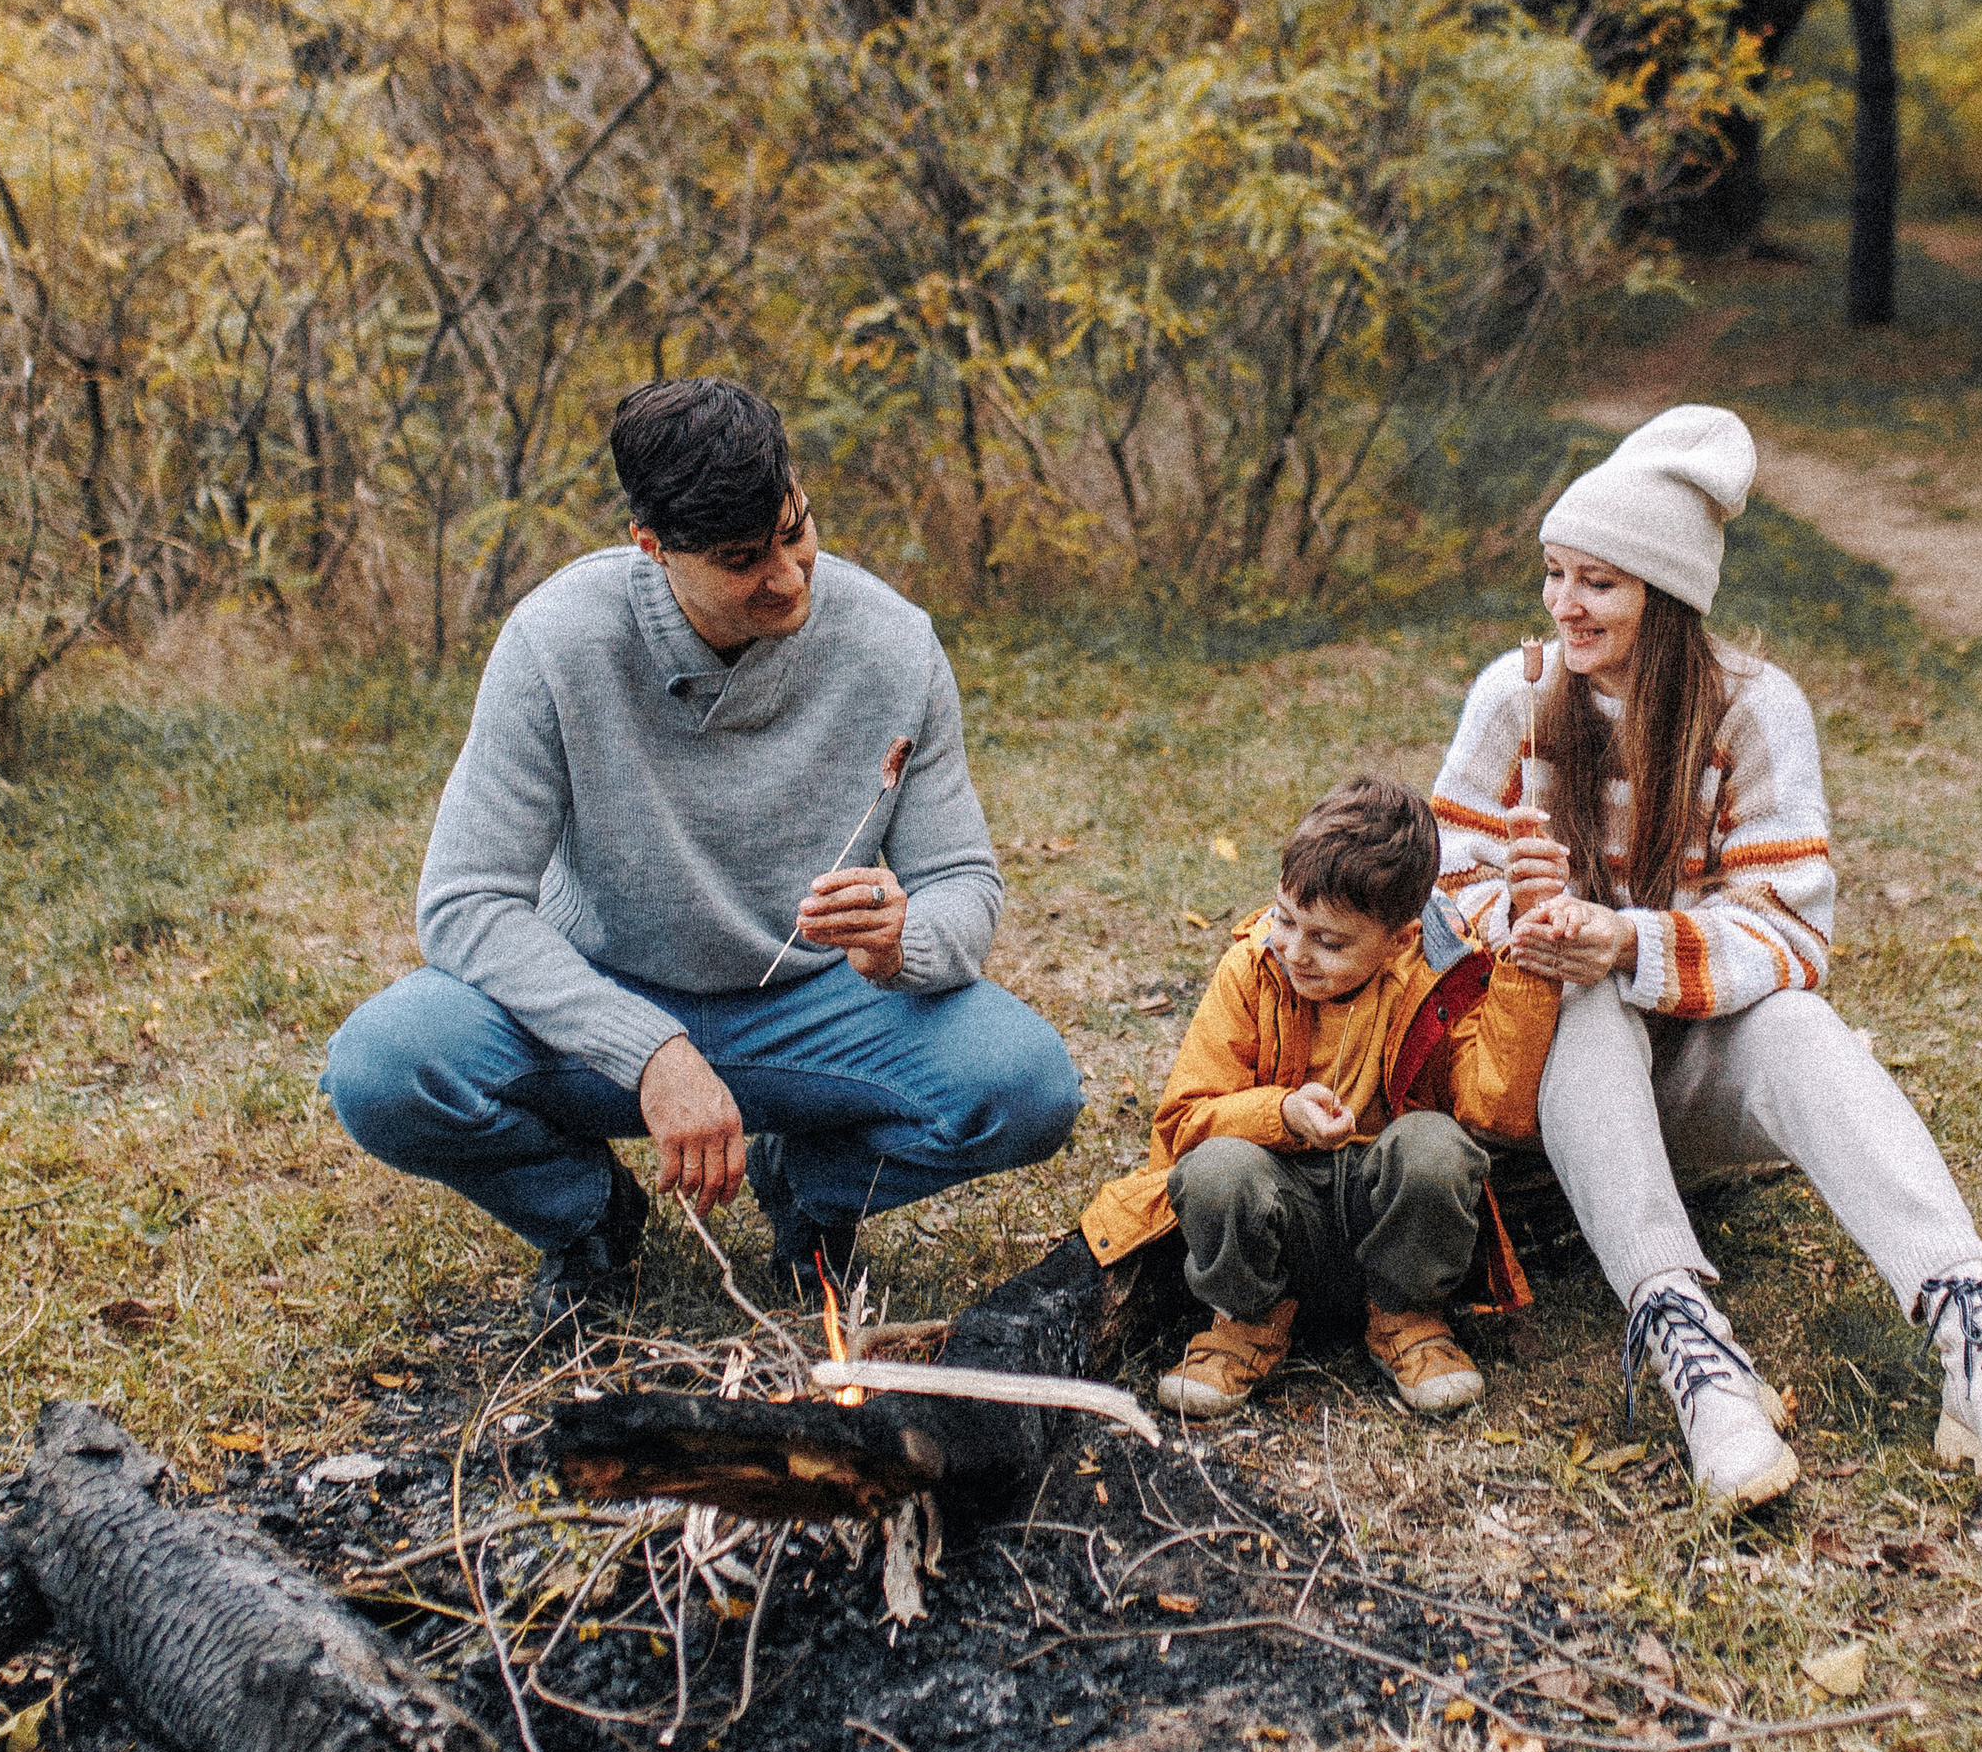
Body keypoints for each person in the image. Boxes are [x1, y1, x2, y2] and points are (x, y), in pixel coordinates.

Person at [1428, 404, 1982, 1513]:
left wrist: (1626, 939)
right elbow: (1446, 875)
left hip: (1693, 1082)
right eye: (1553, 573)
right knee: (1581, 1005)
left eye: (1599, 581)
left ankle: (1976, 1336)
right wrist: (1525, 925)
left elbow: (1788, 928)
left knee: (1795, 1023)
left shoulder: (1754, 711)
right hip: (1544, 1092)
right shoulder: (1517, 693)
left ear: (1665, 593)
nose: (1563, 604)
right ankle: (1693, 1357)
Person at [323, 377, 1082, 1314]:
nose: (790, 575)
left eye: (796, 530)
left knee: (1027, 1087)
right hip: (600, 998)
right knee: (385, 1066)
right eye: (740, 560)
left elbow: (962, 878)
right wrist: (648, 1052)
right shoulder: (557, 640)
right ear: (652, 546)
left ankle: (807, 1192)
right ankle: (590, 1218)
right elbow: (465, 902)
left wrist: (902, 940)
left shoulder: (894, 643)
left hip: (817, 1006)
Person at [1080, 772, 1560, 1421]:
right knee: (1216, 1167)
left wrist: (1527, 968)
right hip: (1280, 1216)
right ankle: (1247, 1322)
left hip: (1381, 1216)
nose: (1296, 952)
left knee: (1437, 1147)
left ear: (1401, 938)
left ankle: (1407, 1318)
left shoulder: (1436, 981)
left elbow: (1494, 1105)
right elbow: (1183, 1124)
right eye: (1285, 918)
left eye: (1329, 941)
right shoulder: (1252, 971)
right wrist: (1281, 1113)